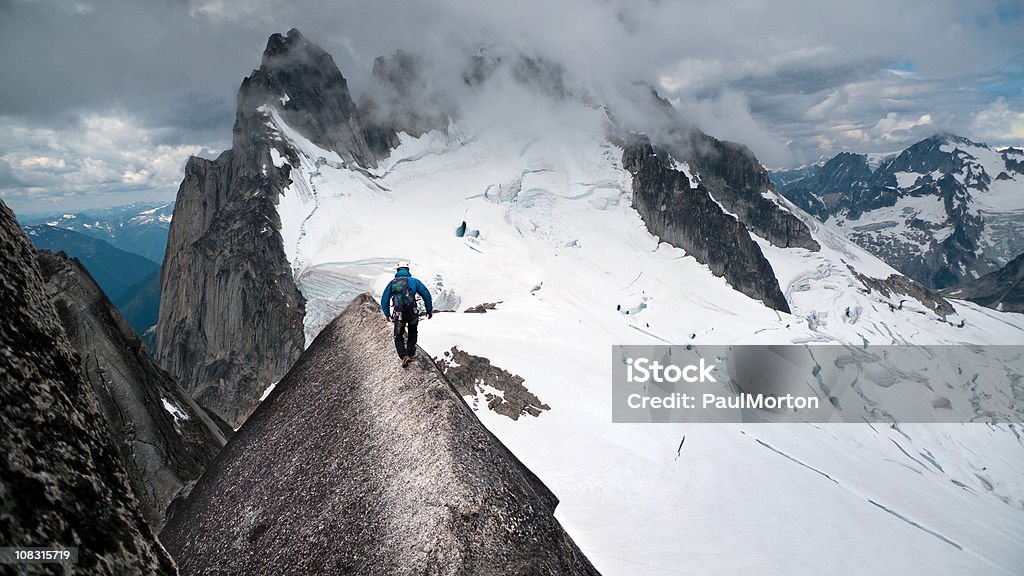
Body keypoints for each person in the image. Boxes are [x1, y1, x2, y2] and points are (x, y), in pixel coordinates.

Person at [380, 262, 433, 366]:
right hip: (412, 312)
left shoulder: (392, 283)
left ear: (397, 271)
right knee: (413, 332)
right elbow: (426, 294)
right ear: (408, 270)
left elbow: (384, 299)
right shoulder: (415, 281)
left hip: (399, 314)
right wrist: (429, 310)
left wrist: (387, 314)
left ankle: (404, 356)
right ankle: (411, 353)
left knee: (398, 335)